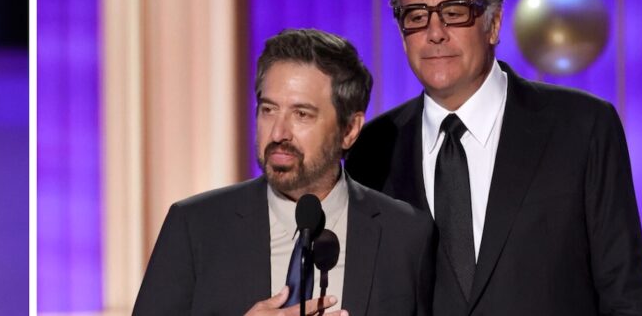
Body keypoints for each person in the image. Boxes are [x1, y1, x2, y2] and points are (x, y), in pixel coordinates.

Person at [346, 0, 642, 315]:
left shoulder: (583, 126)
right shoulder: (373, 148)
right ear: (402, 33)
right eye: (416, 16)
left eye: (454, 12)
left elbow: (626, 294)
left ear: (493, 24)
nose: (435, 32)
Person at [133, 29, 434, 316]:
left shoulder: (406, 236)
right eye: (268, 110)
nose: (278, 133)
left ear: (349, 130)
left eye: (301, 114)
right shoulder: (195, 227)